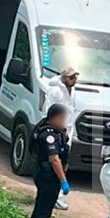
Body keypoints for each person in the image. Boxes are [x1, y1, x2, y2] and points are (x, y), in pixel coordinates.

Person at [30, 104, 71, 218]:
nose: (64, 122)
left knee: (40, 207)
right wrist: (63, 181)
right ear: (55, 118)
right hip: (48, 176)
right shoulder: (49, 135)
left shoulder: (56, 132)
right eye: (63, 118)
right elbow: (54, 160)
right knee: (44, 212)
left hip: (46, 175)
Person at [44, 66, 78, 210]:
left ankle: (58, 195)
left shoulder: (73, 91)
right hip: (56, 131)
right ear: (64, 78)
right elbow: (48, 111)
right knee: (55, 162)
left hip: (67, 130)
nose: (74, 80)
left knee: (64, 162)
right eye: (71, 77)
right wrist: (52, 130)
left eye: (75, 77)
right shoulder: (55, 91)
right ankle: (54, 196)